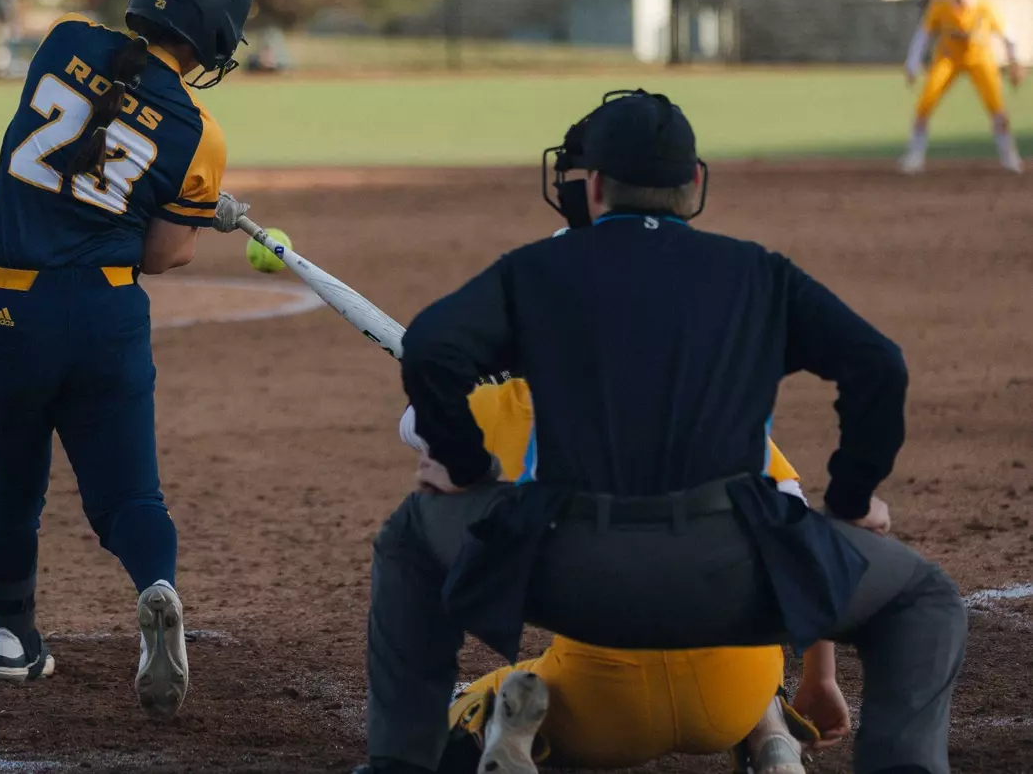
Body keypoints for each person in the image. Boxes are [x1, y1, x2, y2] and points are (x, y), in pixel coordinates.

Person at [357, 89, 968, 774]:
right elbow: (878, 365)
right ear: (696, 184)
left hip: (570, 568)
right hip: (728, 571)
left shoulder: (534, 271)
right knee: (923, 599)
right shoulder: (760, 273)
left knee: (410, 538)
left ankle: (399, 765)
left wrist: (464, 466)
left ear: (591, 187)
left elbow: (433, 349)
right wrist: (854, 500)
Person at [0, 0, 254, 719]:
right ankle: (156, 587)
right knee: (127, 494)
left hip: (7, 310)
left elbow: (93, 125)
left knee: (8, 491)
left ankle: (13, 642)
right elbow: (162, 254)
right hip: (104, 314)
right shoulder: (200, 133)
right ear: (217, 31)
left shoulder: (63, 41)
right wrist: (197, 210)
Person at [403, 378, 847, 774]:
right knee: (743, 604)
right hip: (730, 698)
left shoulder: (494, 406)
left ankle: (500, 731)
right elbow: (807, 548)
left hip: (604, 707)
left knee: (470, 701)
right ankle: (769, 728)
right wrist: (821, 679)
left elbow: (414, 426)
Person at [902, 0, 1025, 174]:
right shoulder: (941, 8)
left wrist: (1014, 59)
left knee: (997, 106)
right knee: (926, 102)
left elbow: (1008, 35)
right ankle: (914, 155)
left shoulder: (985, 8)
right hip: (948, 60)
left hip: (980, 60)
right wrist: (912, 63)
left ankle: (1009, 156)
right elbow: (923, 36)